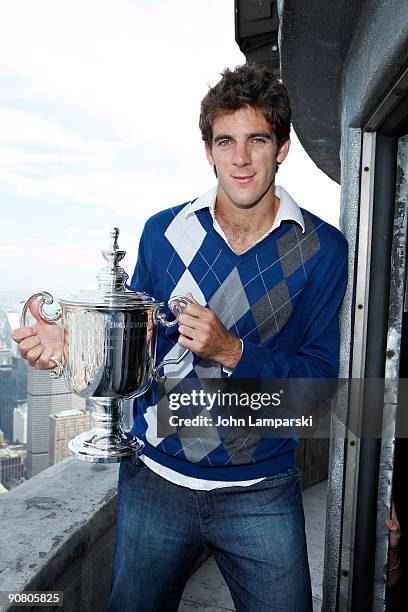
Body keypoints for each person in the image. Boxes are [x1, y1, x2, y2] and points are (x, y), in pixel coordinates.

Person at [12, 64, 348, 612]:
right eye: (226, 141)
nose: (240, 158)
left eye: (256, 139)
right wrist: (72, 349)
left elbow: (317, 392)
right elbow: (135, 354)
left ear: (282, 148)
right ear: (209, 151)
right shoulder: (163, 234)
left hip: (261, 491)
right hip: (153, 483)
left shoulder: (322, 249)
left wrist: (232, 352)